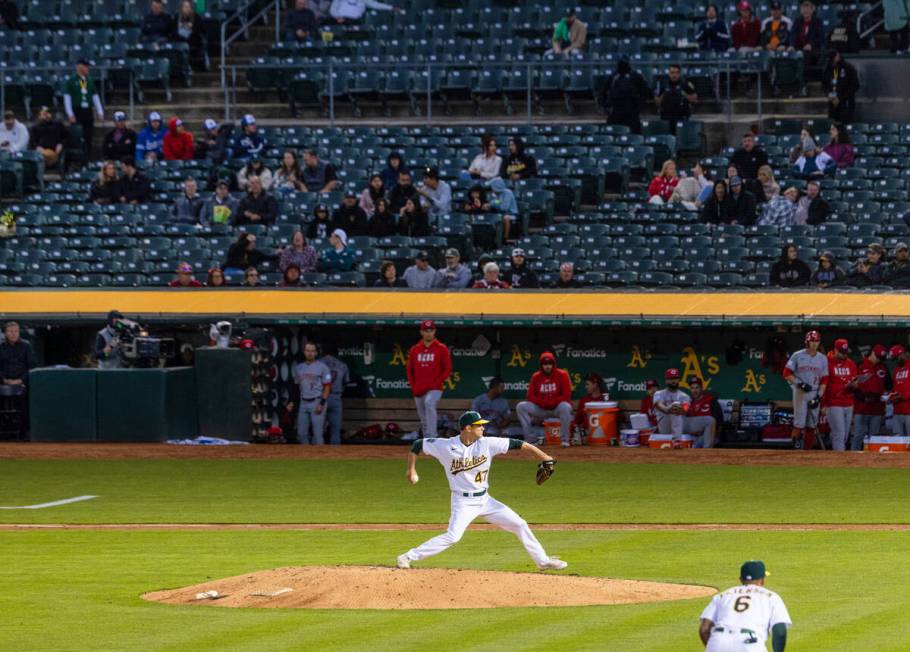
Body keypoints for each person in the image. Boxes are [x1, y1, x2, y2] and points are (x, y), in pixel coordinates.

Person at [397, 410, 566, 572]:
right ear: (468, 428)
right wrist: (411, 470)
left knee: (519, 524)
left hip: (486, 501)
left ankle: (543, 561)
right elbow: (418, 445)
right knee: (453, 536)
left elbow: (521, 444)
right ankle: (407, 557)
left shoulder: (488, 443)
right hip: (462, 502)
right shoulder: (446, 446)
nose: (483, 428)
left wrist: (546, 458)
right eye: (479, 425)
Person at [699, 560, 791, 652]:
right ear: (762, 580)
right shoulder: (771, 597)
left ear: (741, 579)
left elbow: (704, 629)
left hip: (718, 640)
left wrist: (715, 646)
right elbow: (780, 631)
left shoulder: (722, 595)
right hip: (749, 643)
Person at [405, 319, 452, 439]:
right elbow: (410, 369)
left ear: (434, 331)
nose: (428, 333)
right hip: (419, 388)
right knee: (422, 415)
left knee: (429, 403)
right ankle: (427, 438)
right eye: (426, 331)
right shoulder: (415, 349)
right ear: (421, 332)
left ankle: (432, 437)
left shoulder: (441, 348)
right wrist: (413, 385)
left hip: (435, 387)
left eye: (431, 330)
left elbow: (447, 369)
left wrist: (437, 382)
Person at [516, 351, 573, 447]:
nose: (548, 366)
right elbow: (530, 395)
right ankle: (531, 439)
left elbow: (566, 395)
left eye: (550, 364)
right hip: (541, 409)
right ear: (541, 365)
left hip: (556, 408)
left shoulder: (562, 374)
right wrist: (542, 403)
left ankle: (565, 439)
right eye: (545, 364)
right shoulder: (536, 376)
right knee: (521, 407)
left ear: (553, 364)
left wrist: (553, 402)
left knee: (565, 406)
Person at [784, 329, 828, 449]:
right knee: (799, 423)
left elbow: (824, 379)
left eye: (816, 341)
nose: (814, 344)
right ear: (807, 342)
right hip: (801, 392)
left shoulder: (823, 358)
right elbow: (786, 373)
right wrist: (800, 383)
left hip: (814, 392)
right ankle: (795, 448)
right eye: (812, 341)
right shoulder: (797, 355)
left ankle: (807, 452)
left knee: (811, 425)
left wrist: (819, 397)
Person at [289, 342, 333, 445]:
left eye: (312, 351)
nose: (310, 353)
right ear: (304, 352)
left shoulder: (323, 367)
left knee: (317, 434)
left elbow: (327, 387)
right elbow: (296, 387)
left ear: (316, 353)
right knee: (301, 434)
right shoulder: (299, 368)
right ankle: (306, 458)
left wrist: (322, 403)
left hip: (317, 400)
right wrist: (291, 402)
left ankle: (320, 459)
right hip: (303, 402)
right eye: (308, 351)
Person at [62, 59, 104, 158]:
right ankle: (77, 157)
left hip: (87, 110)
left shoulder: (89, 80)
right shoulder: (71, 81)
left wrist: (100, 111)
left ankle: (87, 156)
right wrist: (70, 114)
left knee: (88, 134)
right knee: (77, 135)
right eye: (85, 66)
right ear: (79, 66)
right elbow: (67, 98)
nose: (87, 68)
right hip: (77, 110)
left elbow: (95, 96)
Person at [0, 321, 35, 440]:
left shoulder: (27, 345)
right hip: (3, 382)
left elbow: (31, 367)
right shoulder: (1, 347)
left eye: (16, 331)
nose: (14, 334)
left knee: (25, 405)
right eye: (11, 331)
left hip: (23, 382)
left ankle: (23, 434)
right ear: (5, 333)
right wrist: (4, 379)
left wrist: (20, 380)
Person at [823, 338, 858, 451]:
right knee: (839, 434)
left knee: (844, 436)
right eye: (841, 352)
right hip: (833, 403)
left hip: (848, 402)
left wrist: (854, 385)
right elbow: (823, 384)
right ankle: (839, 464)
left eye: (845, 352)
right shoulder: (826, 362)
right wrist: (823, 404)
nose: (844, 355)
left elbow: (855, 381)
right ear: (835, 350)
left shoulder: (851, 363)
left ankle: (835, 458)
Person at [853, 344, 890, 449]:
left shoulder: (883, 367)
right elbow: (852, 386)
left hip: (877, 408)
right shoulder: (860, 364)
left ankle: (872, 462)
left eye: (881, 358)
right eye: (877, 357)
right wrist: (863, 397)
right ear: (872, 353)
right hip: (861, 407)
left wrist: (883, 395)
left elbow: (889, 386)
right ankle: (852, 461)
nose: (878, 360)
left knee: (874, 437)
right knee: (858, 435)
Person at [605, 58, 650, 134]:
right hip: (615, 113)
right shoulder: (613, 77)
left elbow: (645, 93)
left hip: (631, 114)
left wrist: (639, 108)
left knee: (634, 136)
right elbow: (603, 92)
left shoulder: (636, 76)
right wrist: (606, 108)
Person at [320, 343, 349, 445]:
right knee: (335, 431)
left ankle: (316, 456)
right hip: (335, 397)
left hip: (321, 398)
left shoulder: (319, 363)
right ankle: (335, 457)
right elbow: (345, 382)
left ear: (322, 351)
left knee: (318, 431)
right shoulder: (342, 365)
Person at [654, 65, 697, 129]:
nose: (674, 75)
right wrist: (664, 95)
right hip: (666, 116)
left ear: (679, 74)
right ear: (669, 73)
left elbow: (694, 100)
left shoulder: (686, 84)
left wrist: (684, 94)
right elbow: (657, 103)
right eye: (672, 72)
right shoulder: (663, 85)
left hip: (681, 116)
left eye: (676, 73)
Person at [685, 377, 723, 448]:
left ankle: (705, 454)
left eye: (697, 388)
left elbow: (718, 420)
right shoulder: (688, 403)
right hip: (692, 435)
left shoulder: (711, 400)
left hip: (708, 435)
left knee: (696, 446)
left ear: (701, 388)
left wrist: (705, 431)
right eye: (692, 388)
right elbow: (685, 423)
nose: (694, 390)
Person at [653, 368, 690, 437]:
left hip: (680, 426)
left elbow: (686, 408)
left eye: (675, 378)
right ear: (666, 380)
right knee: (675, 406)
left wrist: (681, 409)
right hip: (665, 426)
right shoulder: (658, 393)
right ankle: (677, 439)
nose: (673, 381)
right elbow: (659, 405)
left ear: (678, 380)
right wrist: (668, 409)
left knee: (676, 406)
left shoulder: (684, 396)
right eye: (671, 378)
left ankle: (677, 439)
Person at [572, 373, 606, 445]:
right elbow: (576, 421)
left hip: (604, 434)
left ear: (595, 384)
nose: (586, 387)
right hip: (587, 435)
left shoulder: (606, 400)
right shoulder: (584, 400)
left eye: (588, 384)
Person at [173, 0, 205, 67]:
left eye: (188, 7)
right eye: (184, 7)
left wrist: (189, 35)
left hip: (192, 41)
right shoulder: (176, 17)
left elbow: (200, 31)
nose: (186, 9)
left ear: (191, 8)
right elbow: (173, 30)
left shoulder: (197, 17)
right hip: (179, 41)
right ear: (181, 8)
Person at [888, 345, 910, 435]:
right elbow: (894, 388)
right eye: (895, 358)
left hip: (909, 411)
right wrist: (891, 396)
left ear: (903, 354)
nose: (896, 360)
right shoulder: (896, 370)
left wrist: (902, 396)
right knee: (897, 442)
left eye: (897, 357)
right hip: (897, 411)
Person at [330, 0, 400, 23]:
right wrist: (337, 17)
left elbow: (375, 4)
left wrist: (391, 7)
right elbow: (333, 9)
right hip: (340, 20)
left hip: (356, 21)